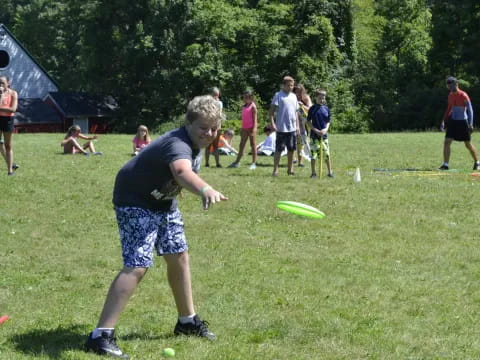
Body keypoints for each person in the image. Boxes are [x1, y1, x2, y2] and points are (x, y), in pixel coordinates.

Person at [85, 95, 227, 359]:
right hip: (135, 200)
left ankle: (187, 322)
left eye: (213, 128)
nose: (209, 133)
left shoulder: (195, 141)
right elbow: (182, 172)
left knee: (178, 255)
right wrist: (205, 189)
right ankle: (100, 336)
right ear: (189, 123)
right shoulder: (178, 143)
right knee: (138, 265)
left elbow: (175, 176)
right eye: (203, 128)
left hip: (163, 202)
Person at [439, 76, 480, 170]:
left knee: (467, 144)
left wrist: (471, 124)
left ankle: (477, 162)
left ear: (456, 84)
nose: (450, 88)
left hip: (463, 122)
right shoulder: (450, 95)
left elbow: (470, 110)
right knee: (447, 142)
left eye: (451, 85)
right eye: (448, 86)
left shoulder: (463, 95)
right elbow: (449, 109)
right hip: (453, 122)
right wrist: (443, 121)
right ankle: (445, 164)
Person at [269, 76, 300, 176]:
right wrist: (273, 123)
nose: (291, 87)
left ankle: (290, 169)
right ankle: (275, 170)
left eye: (292, 85)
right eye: (288, 85)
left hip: (292, 128)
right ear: (283, 85)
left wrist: (297, 126)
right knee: (279, 149)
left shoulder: (294, 96)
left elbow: (296, 112)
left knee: (291, 149)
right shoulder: (278, 95)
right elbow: (271, 112)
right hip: (281, 128)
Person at [228, 90, 258, 170]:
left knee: (253, 145)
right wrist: (242, 128)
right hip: (244, 128)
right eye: (244, 97)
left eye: (246, 97)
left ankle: (254, 163)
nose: (244, 99)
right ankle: (237, 162)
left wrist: (254, 129)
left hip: (251, 128)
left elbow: (255, 119)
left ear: (251, 98)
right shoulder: (243, 106)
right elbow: (244, 118)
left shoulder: (253, 106)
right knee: (241, 145)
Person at [307, 89, 333, 178]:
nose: (322, 100)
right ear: (316, 98)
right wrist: (316, 130)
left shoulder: (326, 109)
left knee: (326, 154)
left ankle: (330, 172)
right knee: (314, 155)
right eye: (320, 98)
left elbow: (328, 121)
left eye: (323, 98)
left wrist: (325, 129)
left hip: (324, 136)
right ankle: (313, 173)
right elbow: (308, 122)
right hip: (314, 136)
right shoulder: (312, 109)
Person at [0, 76, 18, 176]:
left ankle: (10, 170)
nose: (0, 85)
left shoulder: (13, 93)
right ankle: (10, 164)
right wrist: (1, 96)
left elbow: (13, 109)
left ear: (8, 83)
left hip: (7, 120)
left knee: (8, 145)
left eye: (2, 83)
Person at [204, 87, 224, 167]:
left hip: (217, 126)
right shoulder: (207, 103)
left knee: (215, 145)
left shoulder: (220, 103)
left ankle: (217, 163)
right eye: (214, 95)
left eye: (217, 95)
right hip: (209, 126)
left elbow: (219, 114)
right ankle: (207, 163)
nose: (216, 97)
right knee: (208, 145)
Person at [294, 84, 312, 167]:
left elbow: (311, 109)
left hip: (304, 122)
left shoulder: (306, 98)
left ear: (302, 90)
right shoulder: (292, 98)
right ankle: (295, 159)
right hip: (294, 121)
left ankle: (300, 161)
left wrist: (302, 105)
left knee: (302, 141)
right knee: (295, 141)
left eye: (299, 91)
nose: (297, 92)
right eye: (296, 91)